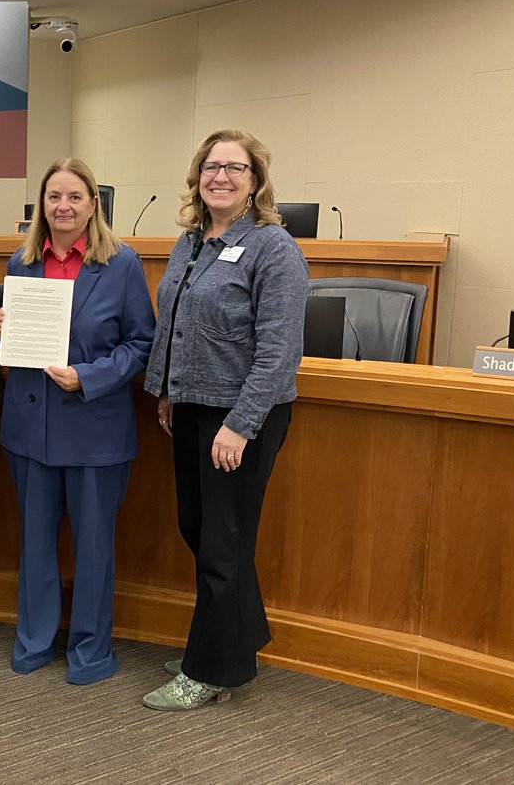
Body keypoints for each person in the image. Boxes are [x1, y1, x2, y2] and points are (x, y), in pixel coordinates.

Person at [141, 129, 308, 710]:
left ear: (255, 180)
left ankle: (209, 668)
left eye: (235, 168)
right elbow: (175, 323)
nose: (222, 177)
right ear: (197, 177)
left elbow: (280, 350)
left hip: (241, 416)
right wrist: (165, 391)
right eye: (212, 167)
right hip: (189, 406)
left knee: (223, 542)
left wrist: (240, 424)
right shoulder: (191, 241)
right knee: (198, 528)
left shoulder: (273, 248)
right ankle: (233, 639)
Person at [0, 158, 155, 684]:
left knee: (93, 547)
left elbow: (142, 343)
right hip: (30, 427)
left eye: (75, 197)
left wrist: (90, 376)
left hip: (94, 427)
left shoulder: (121, 263)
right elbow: (22, 342)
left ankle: (89, 651)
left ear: (92, 204)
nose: (63, 207)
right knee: (34, 544)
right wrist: (2, 330)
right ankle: (33, 642)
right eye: (54, 197)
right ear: (42, 204)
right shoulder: (22, 261)